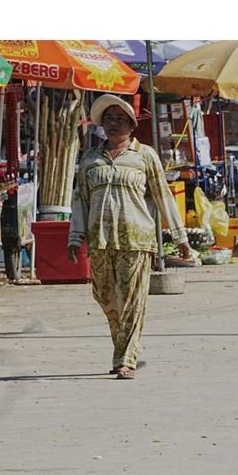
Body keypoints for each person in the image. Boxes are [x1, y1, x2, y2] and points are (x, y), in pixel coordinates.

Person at [67, 95, 191, 380]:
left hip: (136, 239)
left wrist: (180, 237)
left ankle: (126, 359)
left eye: (120, 119)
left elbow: (162, 196)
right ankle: (123, 347)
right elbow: (80, 200)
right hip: (100, 240)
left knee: (132, 300)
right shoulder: (90, 158)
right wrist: (75, 236)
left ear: (132, 125)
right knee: (106, 298)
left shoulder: (144, 155)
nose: (113, 124)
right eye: (108, 119)